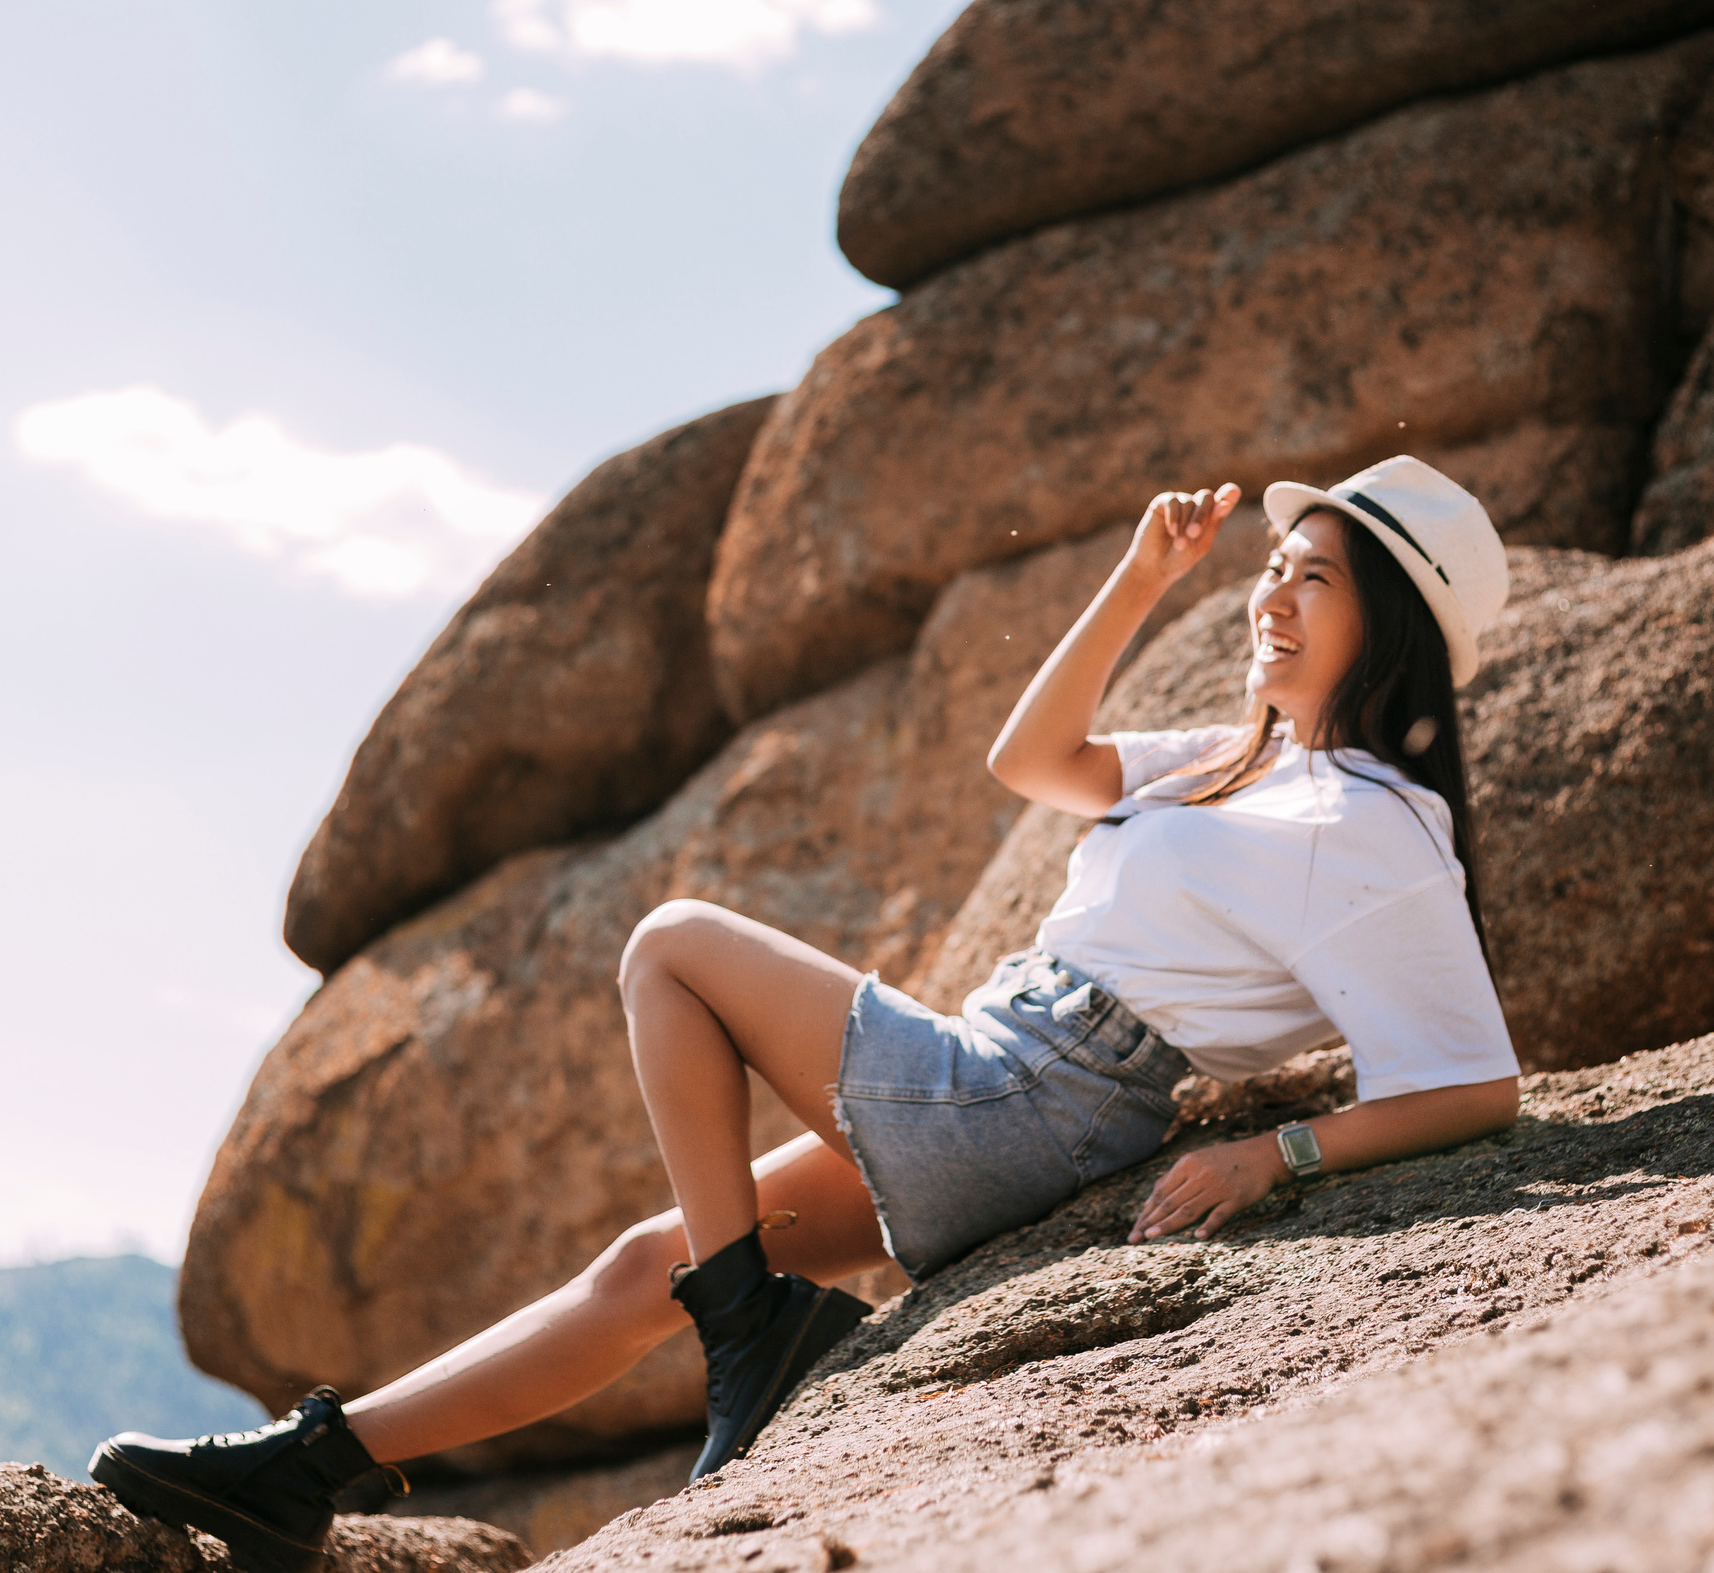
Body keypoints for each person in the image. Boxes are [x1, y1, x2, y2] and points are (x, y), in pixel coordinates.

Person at [90, 457, 1525, 1573]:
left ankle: (751, 1334)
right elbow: (1031, 758)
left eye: (1313, 578)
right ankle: (305, 1473)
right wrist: (1142, 578)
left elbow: (1473, 1085)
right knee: (649, 1258)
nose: (1271, 596)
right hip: (1003, 1074)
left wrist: (1272, 1158)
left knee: (674, 946)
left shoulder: (1375, 826)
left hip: (1035, 1100)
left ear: (1390, 615)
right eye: (1270, 568)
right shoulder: (1231, 762)